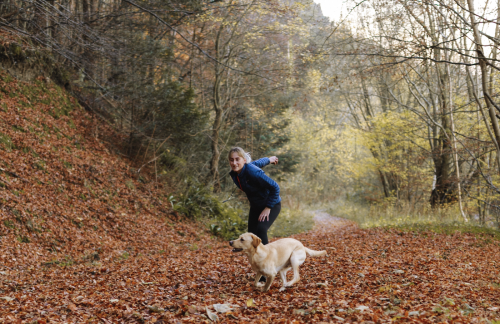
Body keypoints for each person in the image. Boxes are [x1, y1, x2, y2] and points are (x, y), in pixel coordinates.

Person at [228, 147, 281, 246]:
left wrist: (268, 207)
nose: (234, 163)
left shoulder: (253, 172)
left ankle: (266, 259)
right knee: (251, 234)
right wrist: (269, 159)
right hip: (256, 206)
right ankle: (255, 260)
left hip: (271, 204)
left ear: (244, 160)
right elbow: (259, 163)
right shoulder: (237, 173)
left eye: (237, 159)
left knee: (261, 230)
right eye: (231, 160)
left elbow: (275, 187)